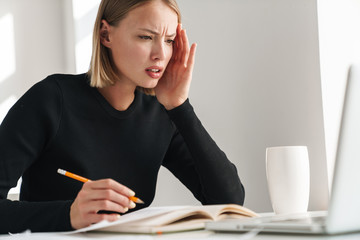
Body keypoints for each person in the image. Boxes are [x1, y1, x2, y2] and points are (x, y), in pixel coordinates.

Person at [0, 0, 245, 234]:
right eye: (146, 37)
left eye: (169, 40)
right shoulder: (51, 99)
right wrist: (68, 214)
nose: (161, 53)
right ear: (106, 35)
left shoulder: (161, 113)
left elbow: (228, 201)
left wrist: (179, 106)